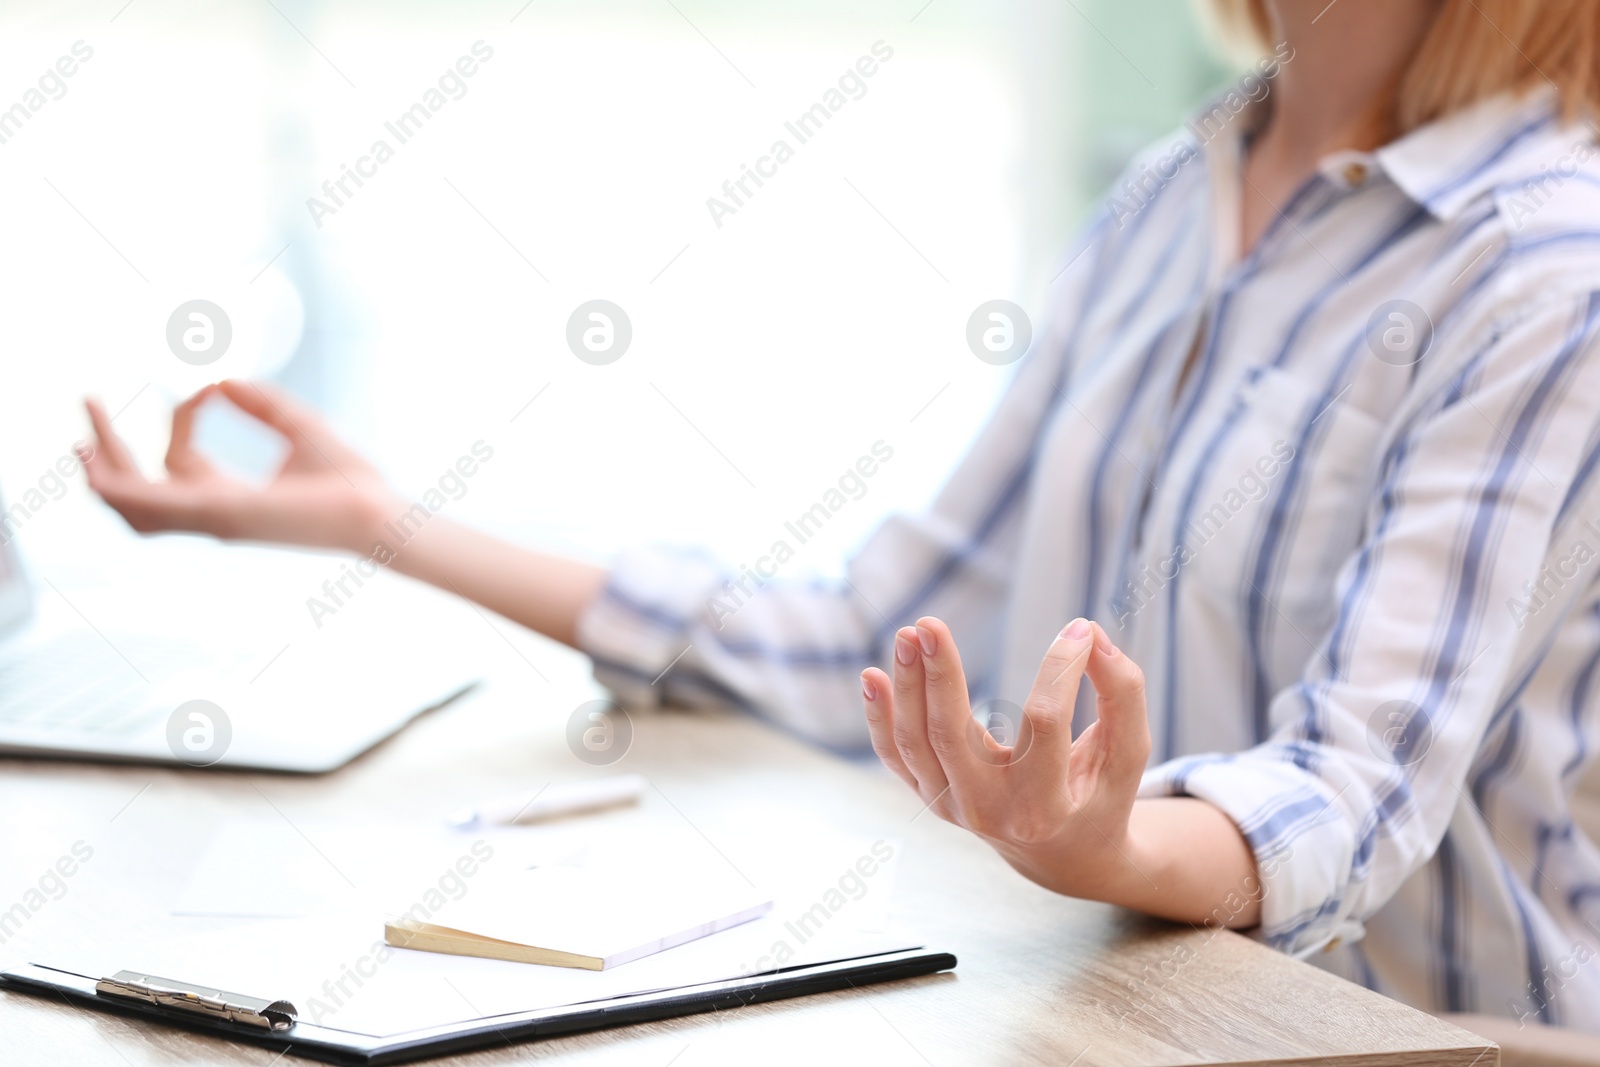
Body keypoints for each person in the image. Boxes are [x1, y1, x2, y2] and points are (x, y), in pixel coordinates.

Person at [81, 0, 1600, 1029]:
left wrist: (1110, 848)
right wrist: (385, 526)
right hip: (1132, 1006)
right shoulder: (1168, 194)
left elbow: (1355, 793)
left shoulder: (1547, 267)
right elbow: (880, 638)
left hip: (1424, 1039)